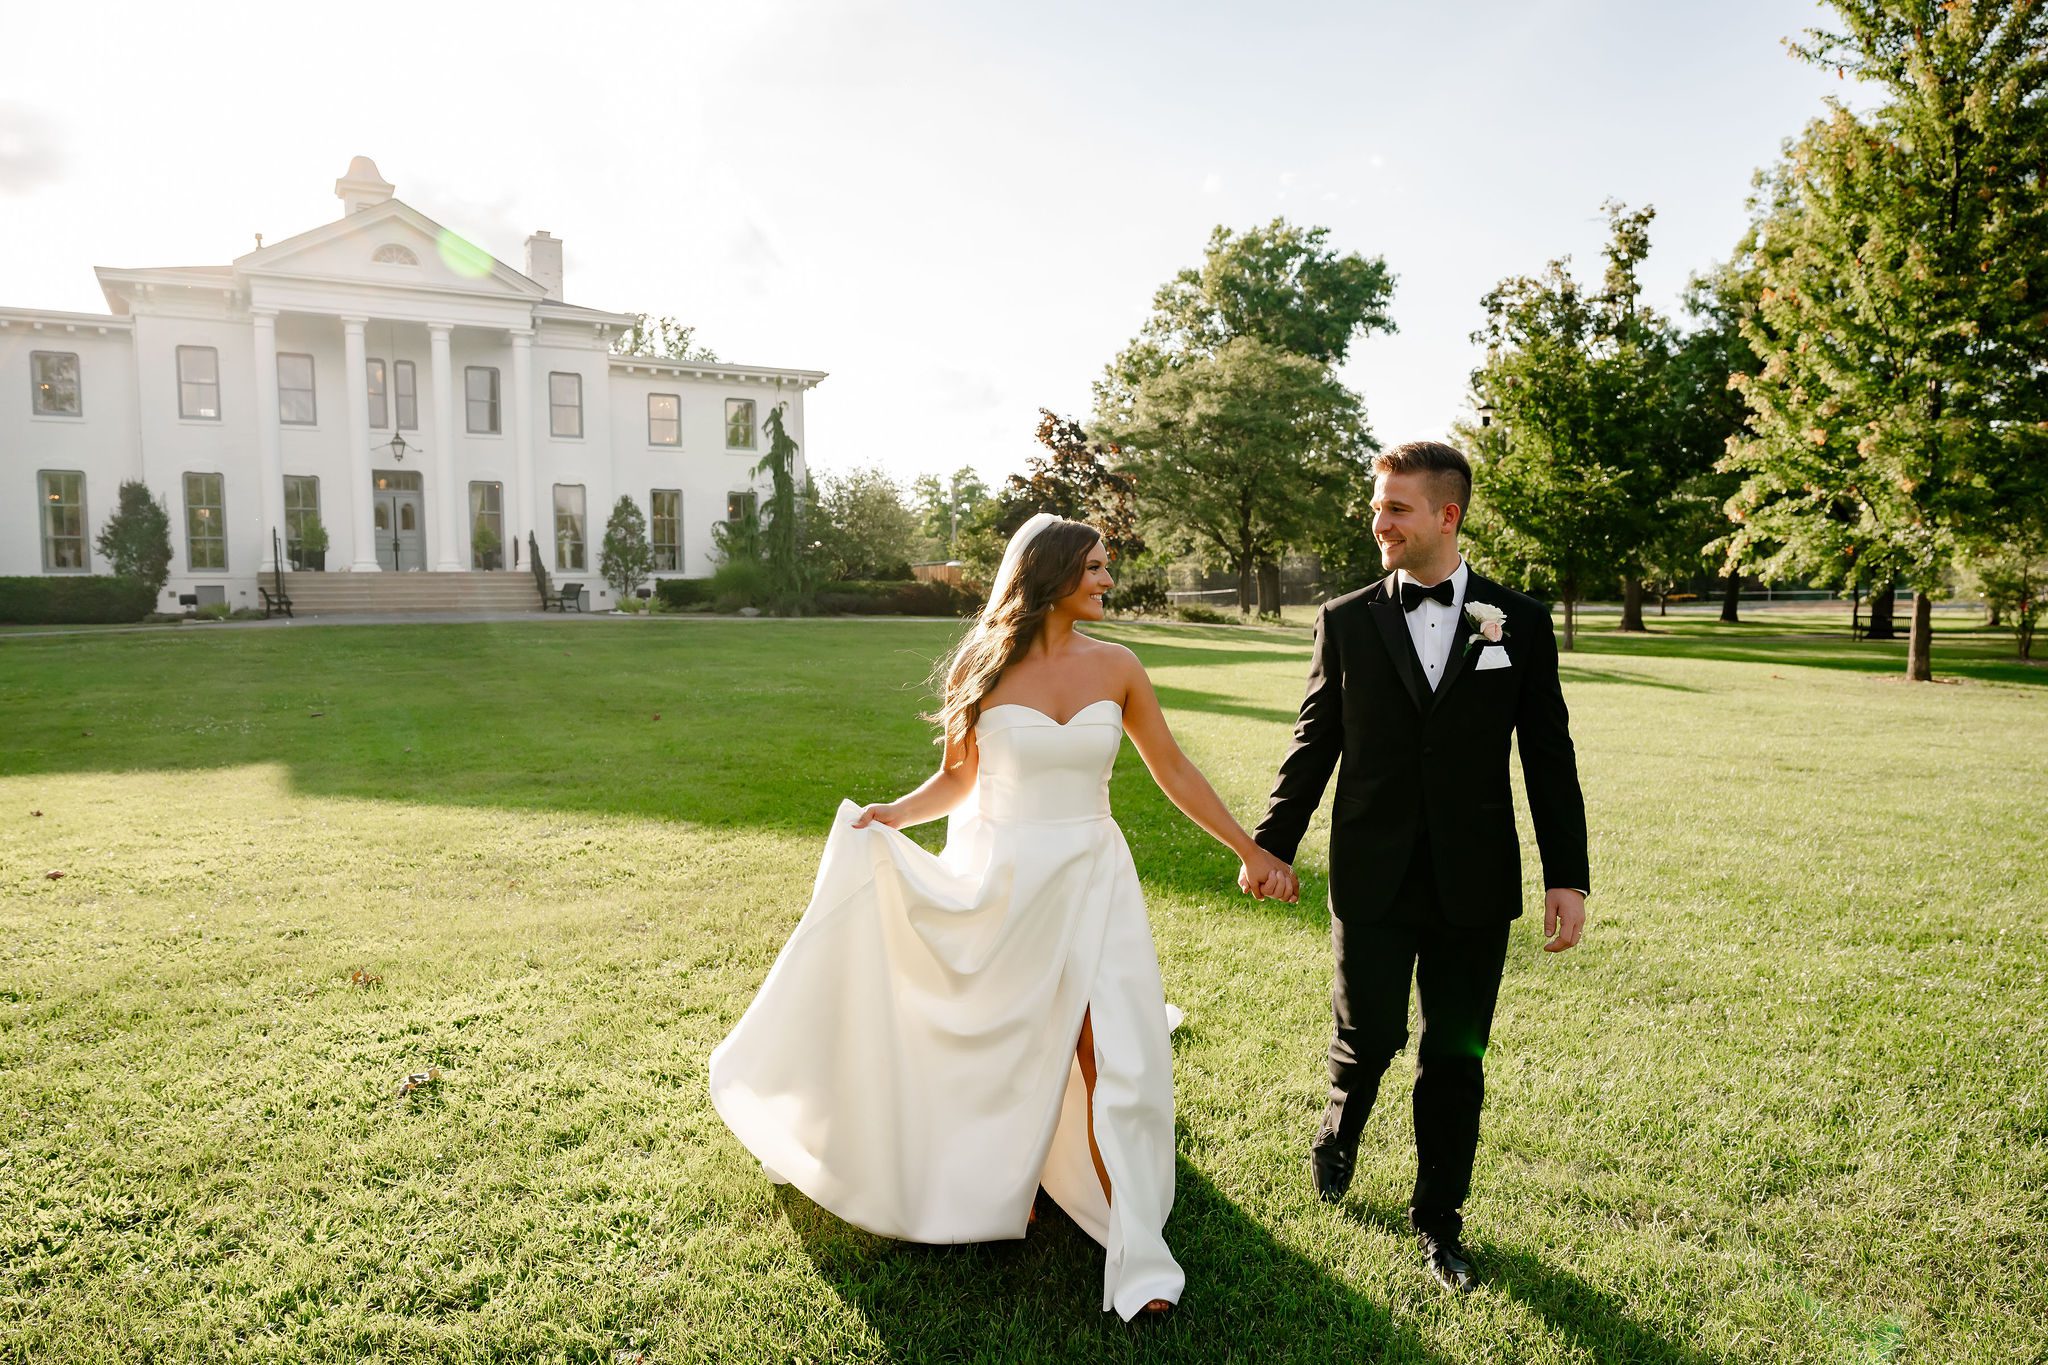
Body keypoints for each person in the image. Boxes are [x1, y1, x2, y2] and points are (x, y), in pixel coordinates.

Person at [709, 512, 1293, 1320]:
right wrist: (892, 815)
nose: (1107, 579)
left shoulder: (1119, 666)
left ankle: (1139, 1251)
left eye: (1106, 565)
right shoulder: (980, 670)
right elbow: (956, 782)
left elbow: (1173, 767)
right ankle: (997, 1178)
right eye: (1095, 566)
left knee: (1109, 1052)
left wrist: (1249, 849)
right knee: (1006, 1037)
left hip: (1093, 875)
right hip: (1006, 882)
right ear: (1051, 574)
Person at [1245, 440, 1589, 1293]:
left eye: (1395, 507)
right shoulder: (1346, 618)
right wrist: (1272, 843)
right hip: (1373, 869)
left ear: (1448, 514)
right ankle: (1337, 1132)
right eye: (1376, 504)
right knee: (1370, 1036)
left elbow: (1549, 757)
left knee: (1455, 1055)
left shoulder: (1520, 622)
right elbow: (1313, 742)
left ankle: (1440, 1220)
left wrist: (1567, 876)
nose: (1378, 520)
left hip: (1475, 878)